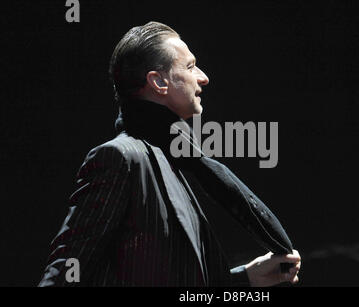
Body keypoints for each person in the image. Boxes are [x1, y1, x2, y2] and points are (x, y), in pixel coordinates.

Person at [38, 21, 301, 287]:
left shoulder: (175, 162)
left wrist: (244, 279)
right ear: (159, 81)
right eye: (189, 67)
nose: (203, 77)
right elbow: (66, 271)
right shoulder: (120, 158)